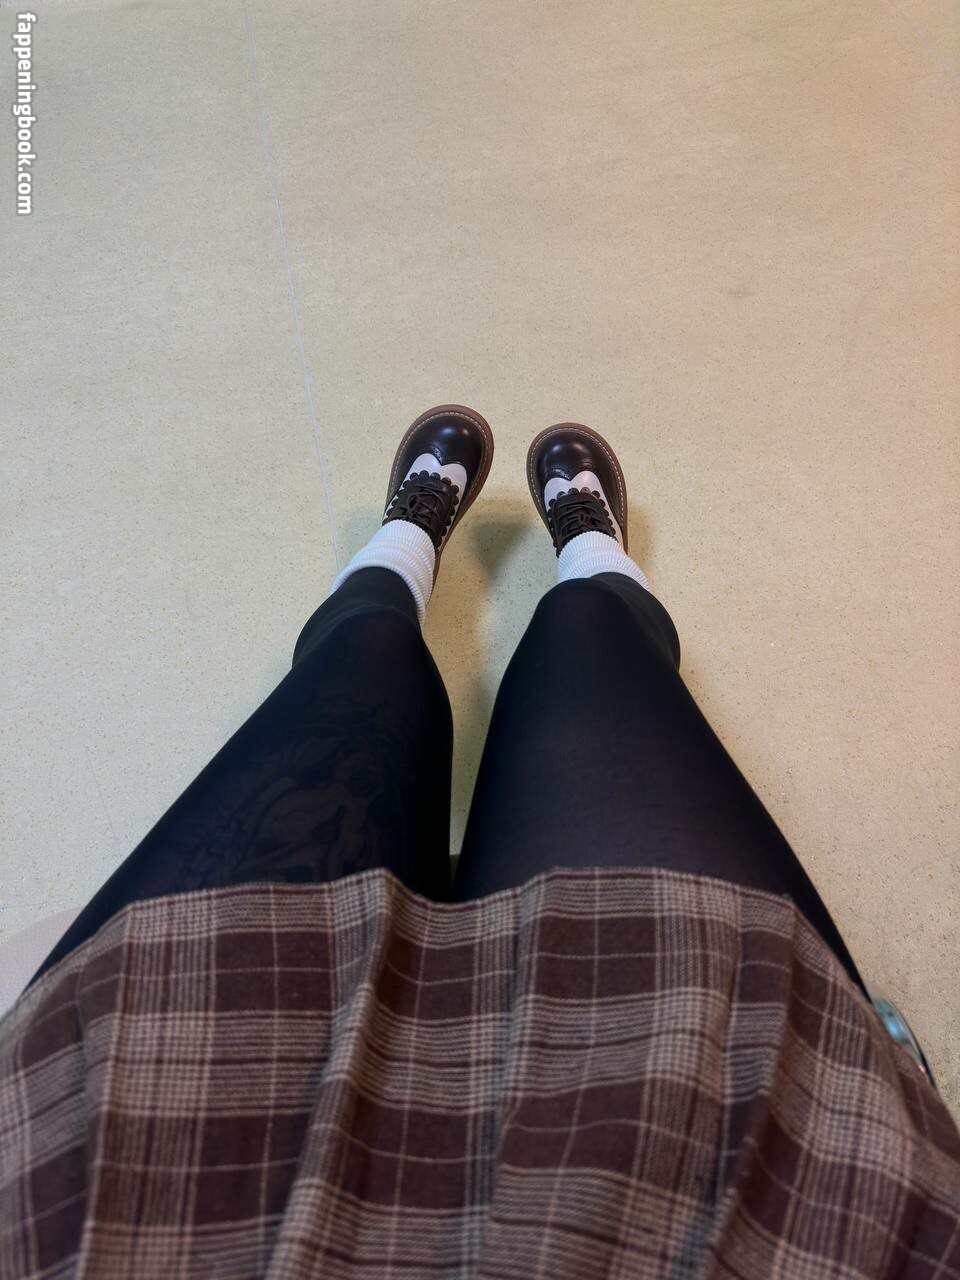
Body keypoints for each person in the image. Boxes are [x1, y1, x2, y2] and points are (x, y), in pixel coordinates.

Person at [1, 405, 957, 1278]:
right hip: (692, 1174)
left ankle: (406, 542)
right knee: (587, 630)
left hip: (168, 1156)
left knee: (365, 656)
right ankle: (591, 559)